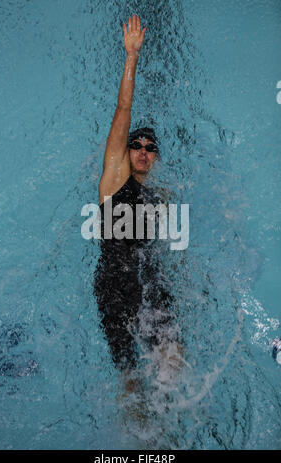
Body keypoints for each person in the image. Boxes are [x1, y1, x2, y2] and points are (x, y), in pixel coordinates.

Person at [94, 14, 183, 394]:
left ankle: (169, 428)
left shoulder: (159, 196)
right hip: (115, 286)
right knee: (130, 379)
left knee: (175, 359)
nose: (143, 151)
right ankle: (140, 443)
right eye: (137, 145)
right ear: (126, 151)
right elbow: (123, 112)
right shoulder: (115, 179)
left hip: (150, 281)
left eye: (151, 148)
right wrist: (131, 57)